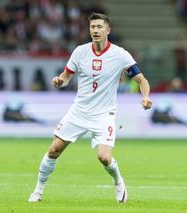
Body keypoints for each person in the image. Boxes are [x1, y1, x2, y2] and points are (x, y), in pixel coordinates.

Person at [28, 13, 153, 203]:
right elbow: (66, 76)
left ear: (108, 30)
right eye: (92, 27)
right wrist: (59, 81)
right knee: (54, 150)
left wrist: (145, 97)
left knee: (104, 157)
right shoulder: (80, 52)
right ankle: (37, 191)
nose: (95, 30)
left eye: (99, 27)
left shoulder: (120, 55)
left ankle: (118, 181)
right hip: (79, 111)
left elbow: (141, 80)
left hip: (104, 114)